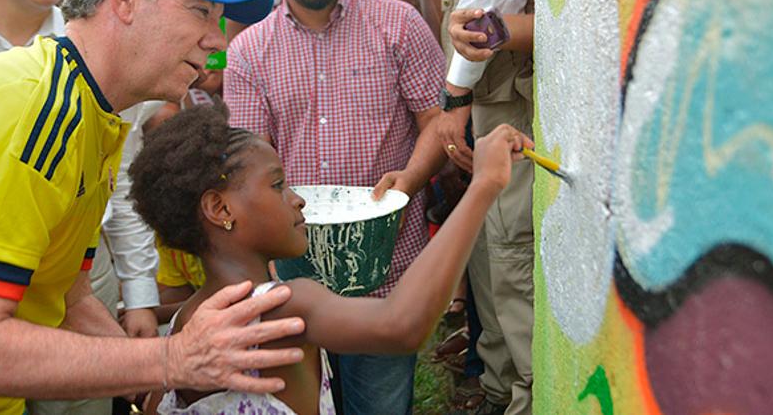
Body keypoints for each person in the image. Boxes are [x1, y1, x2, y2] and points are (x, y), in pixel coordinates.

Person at [0, 0, 308, 415]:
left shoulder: (94, 112)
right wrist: (170, 358)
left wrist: (152, 374)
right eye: (200, 10)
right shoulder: (38, 111)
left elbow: (67, 299)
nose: (218, 39)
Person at [126, 100, 532, 414]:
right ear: (220, 209)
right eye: (278, 185)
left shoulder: (186, 320)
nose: (297, 199)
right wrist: (483, 186)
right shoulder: (280, 308)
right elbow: (401, 325)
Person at [223, 0, 447, 414]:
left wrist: (408, 182)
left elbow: (438, 122)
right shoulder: (249, 53)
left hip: (387, 271)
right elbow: (247, 166)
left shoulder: (398, 24)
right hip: (293, 278)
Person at [436, 0, 537, 414]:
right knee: (493, 254)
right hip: (491, 95)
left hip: (506, 96)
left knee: (511, 253)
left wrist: (454, 92)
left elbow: (487, 1)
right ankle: (500, 390)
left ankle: (524, 396)